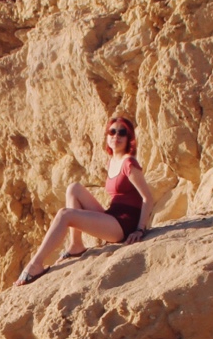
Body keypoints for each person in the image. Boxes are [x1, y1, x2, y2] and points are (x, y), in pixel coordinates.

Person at [14, 113, 154, 287]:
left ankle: (35, 264)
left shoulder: (129, 163)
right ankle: (76, 245)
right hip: (113, 217)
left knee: (65, 215)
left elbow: (147, 197)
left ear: (129, 138)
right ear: (107, 136)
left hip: (124, 225)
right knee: (74, 188)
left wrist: (140, 230)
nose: (116, 136)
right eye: (112, 132)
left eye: (122, 133)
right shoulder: (112, 161)